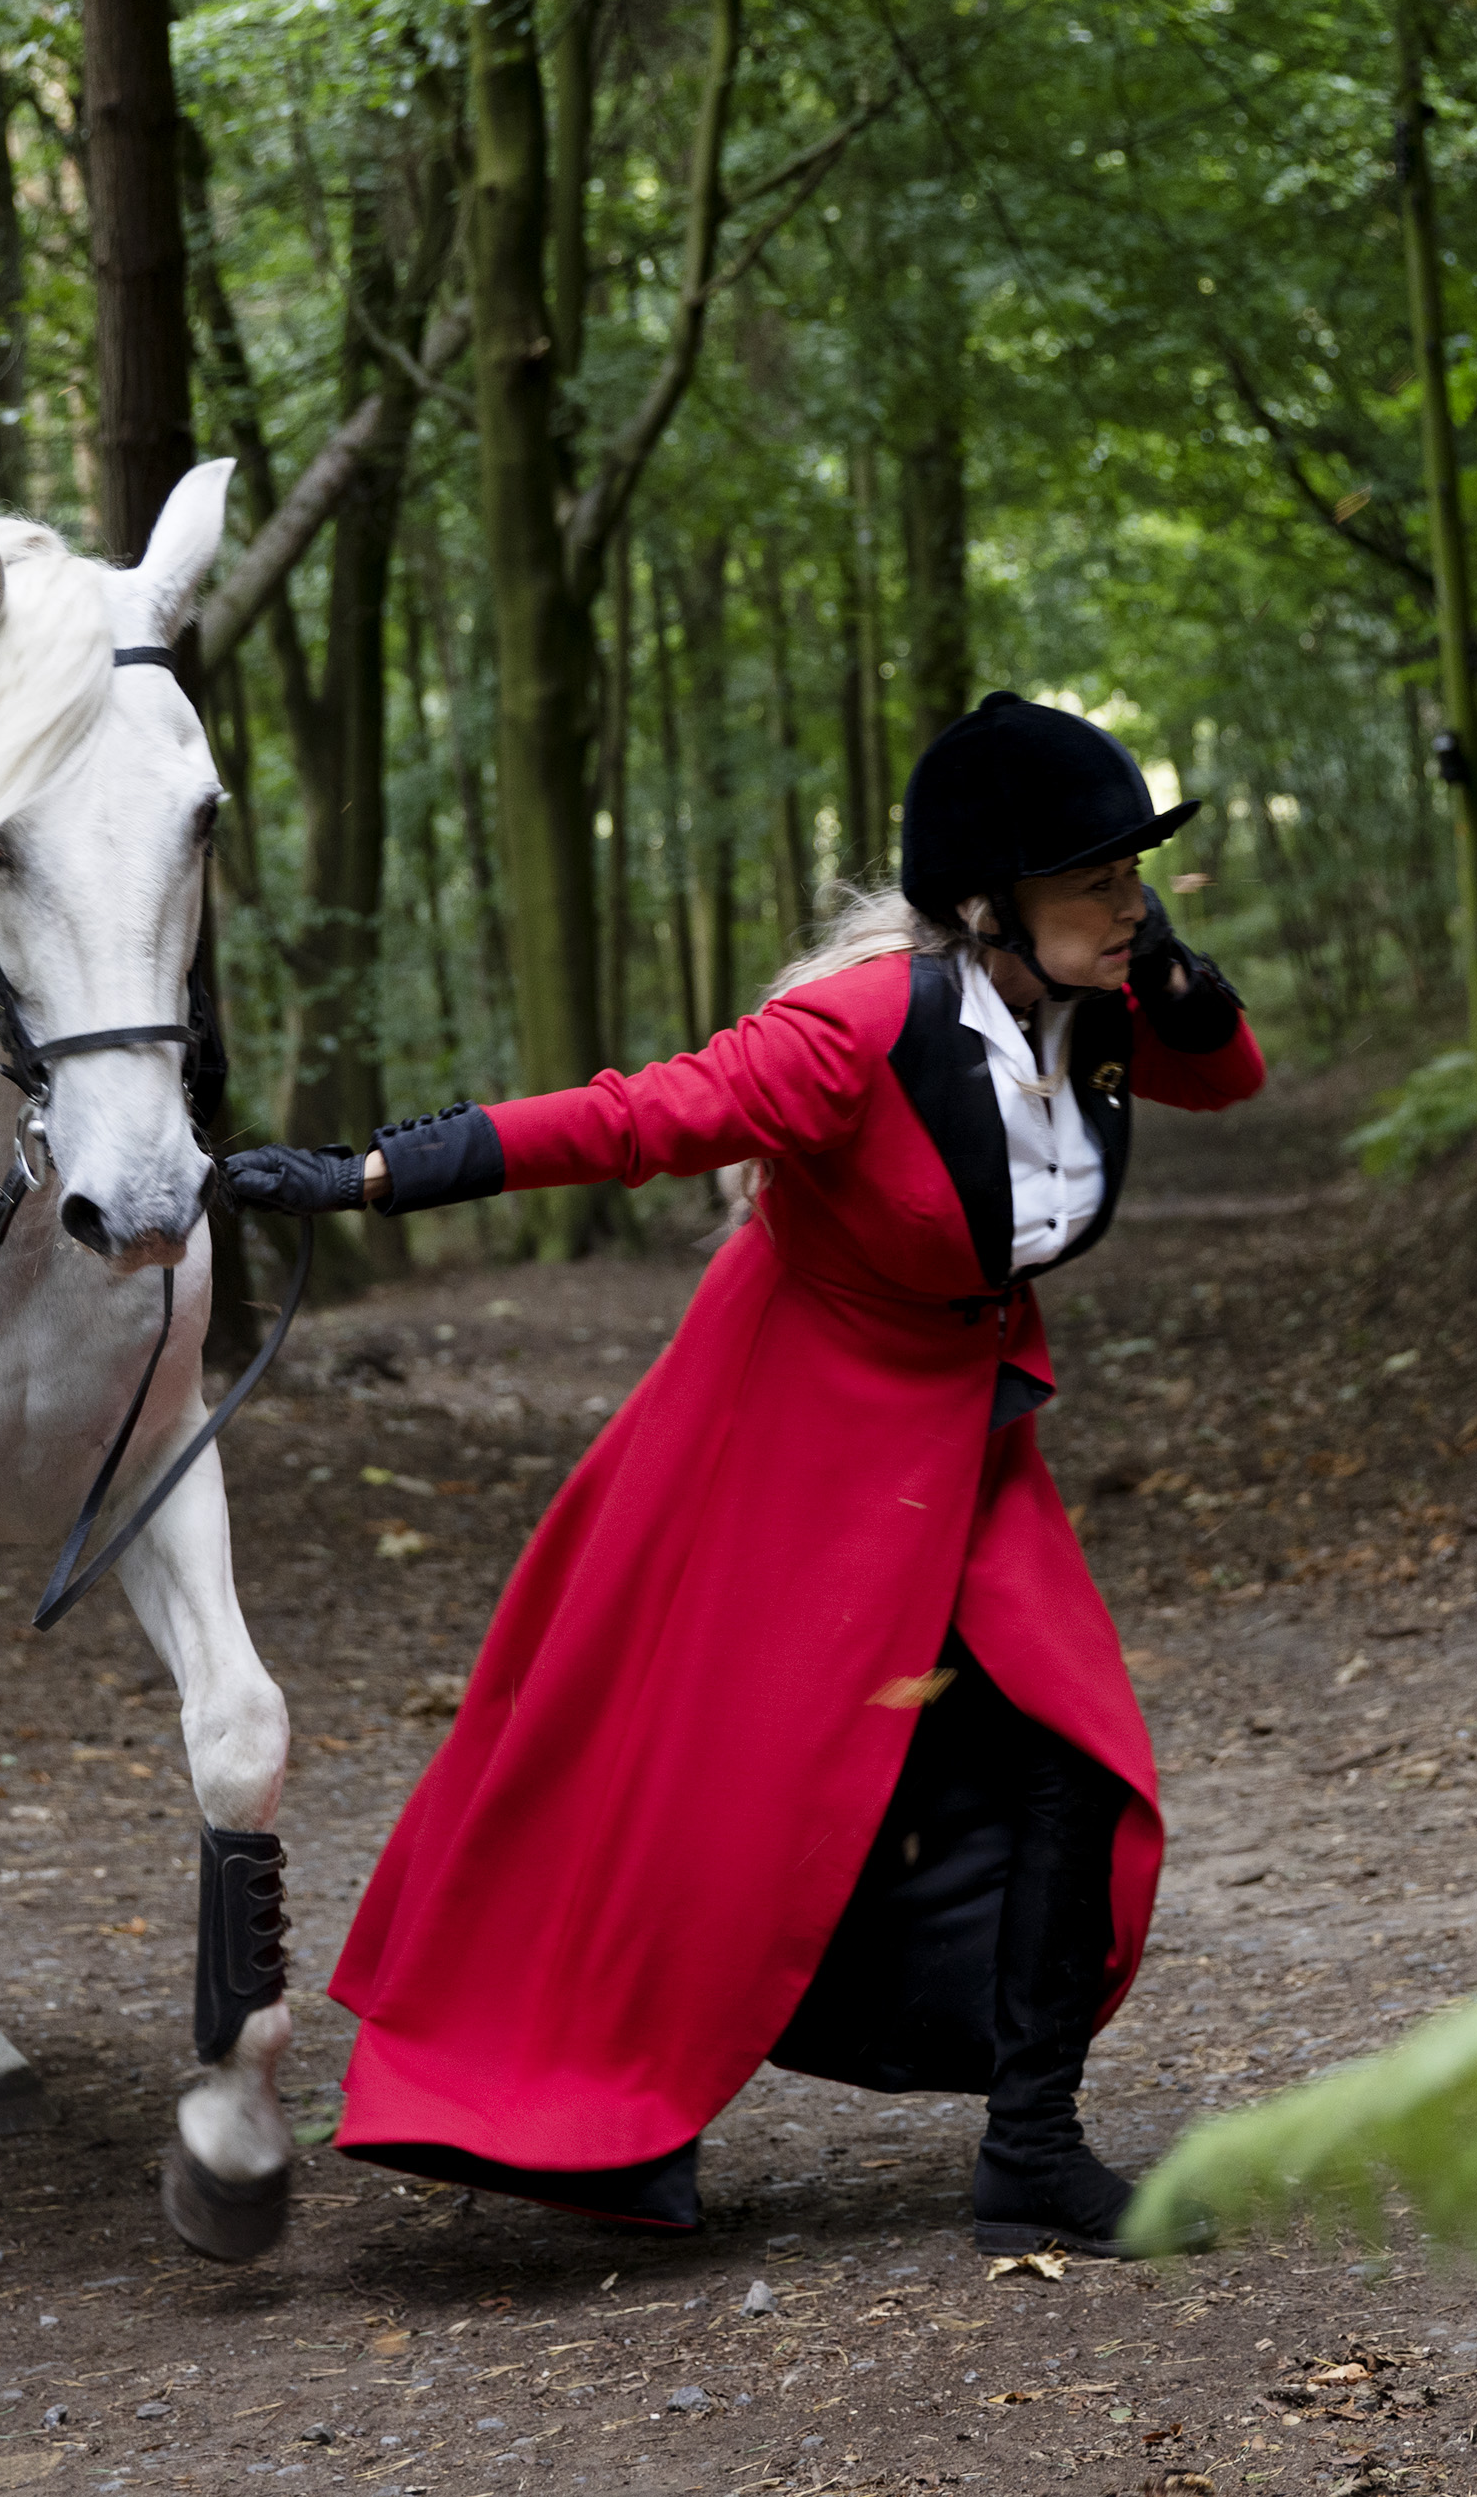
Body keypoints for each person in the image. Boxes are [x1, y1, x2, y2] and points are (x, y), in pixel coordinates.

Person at [217, 692, 1267, 2254]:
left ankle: (1031, 2149)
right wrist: (372, 1173)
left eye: (1135, 874)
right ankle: (575, 2109)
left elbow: (1226, 1076)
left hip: (961, 1441)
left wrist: (1173, 975)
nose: (1132, 904)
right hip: (782, 1425)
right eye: (1098, 879)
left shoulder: (1098, 999)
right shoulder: (862, 1029)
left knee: (1079, 1756)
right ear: (990, 903)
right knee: (694, 1780)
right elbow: (640, 1118)